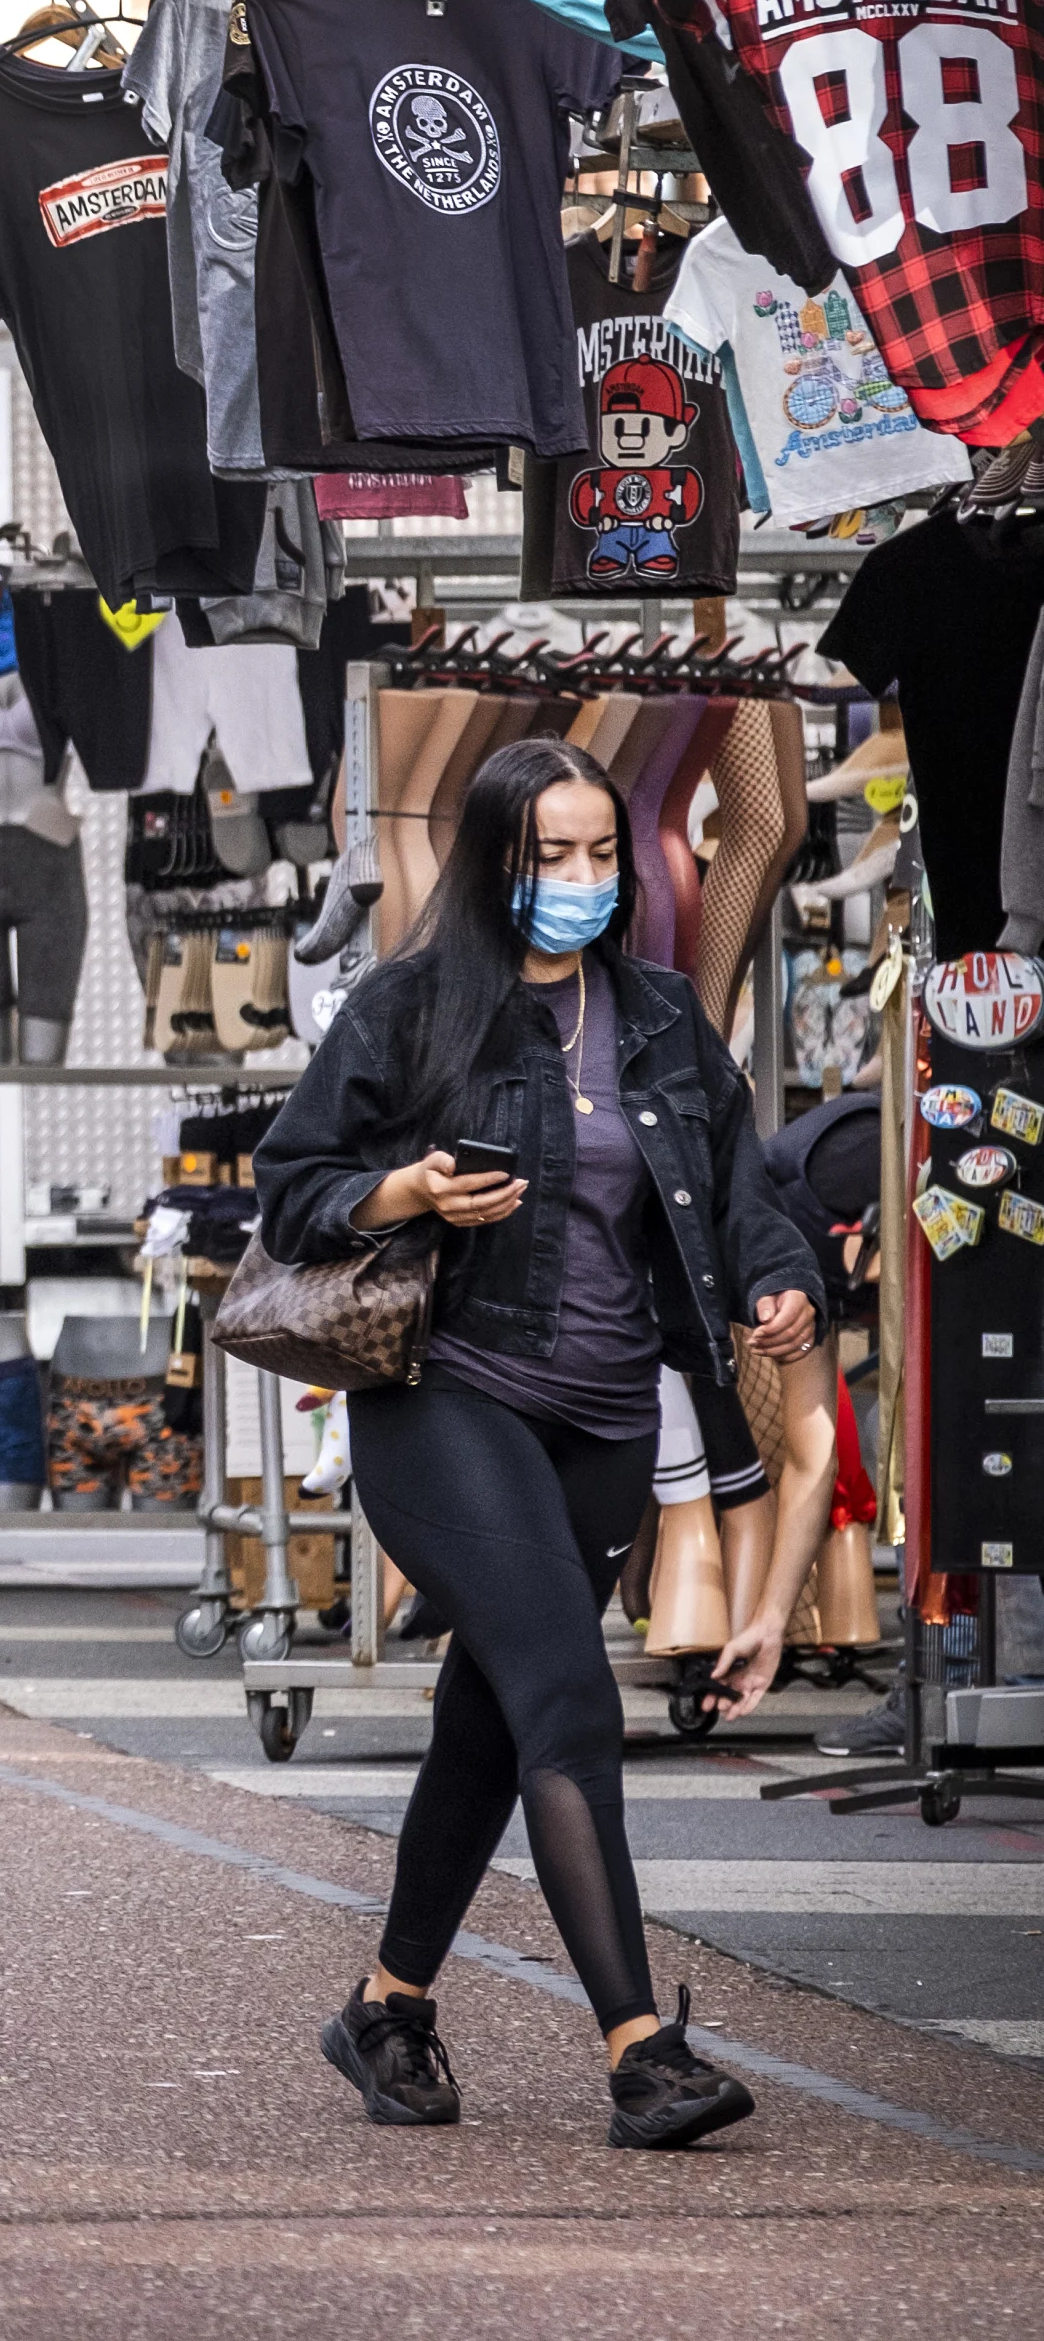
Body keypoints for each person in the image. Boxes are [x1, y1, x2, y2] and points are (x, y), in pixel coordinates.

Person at [256, 735, 824, 2152]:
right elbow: (291, 1191)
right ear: (494, 861)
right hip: (447, 1394)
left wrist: (781, 1279)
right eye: (545, 856)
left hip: (610, 1415)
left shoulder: (661, 1013)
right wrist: (404, 1192)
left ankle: (387, 2008)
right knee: (570, 1696)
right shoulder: (412, 1008)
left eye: (596, 855)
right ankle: (644, 2050)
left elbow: (735, 1185)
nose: (577, 881)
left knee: (493, 1728)